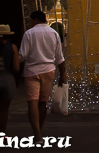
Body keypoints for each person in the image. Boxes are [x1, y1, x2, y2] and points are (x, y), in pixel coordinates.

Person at [18, 11, 66, 139]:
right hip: (48, 70)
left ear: (35, 19)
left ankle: (37, 134)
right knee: (42, 103)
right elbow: (59, 58)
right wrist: (62, 75)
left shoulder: (29, 33)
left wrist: (13, 63)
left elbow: (22, 55)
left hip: (32, 71)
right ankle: (39, 130)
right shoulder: (54, 34)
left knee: (32, 102)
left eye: (31, 20)